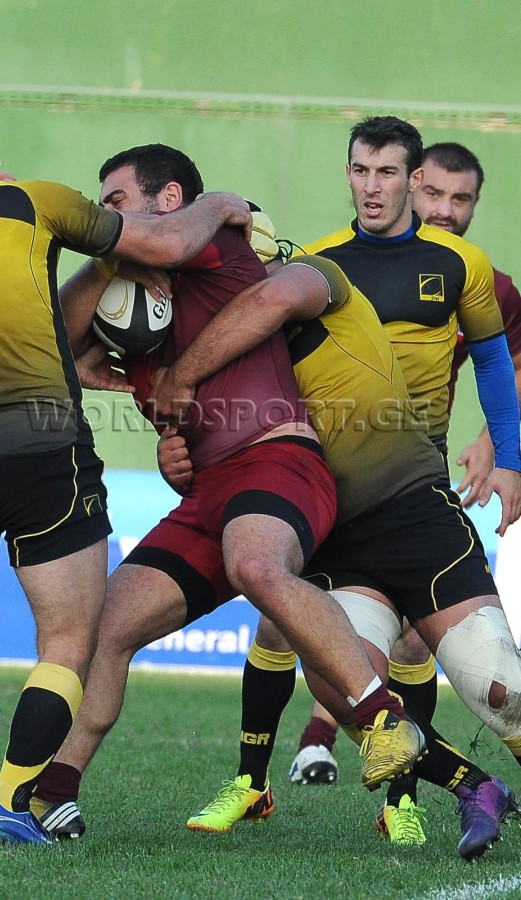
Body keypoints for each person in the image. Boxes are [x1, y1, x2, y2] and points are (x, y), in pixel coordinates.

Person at [30, 143, 429, 839]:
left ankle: (381, 720)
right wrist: (110, 266)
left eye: (116, 201)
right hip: (206, 497)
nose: (103, 214)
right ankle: (52, 794)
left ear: (169, 200)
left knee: (255, 567)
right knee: (106, 626)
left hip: (278, 462)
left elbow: (177, 247)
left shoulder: (215, 241)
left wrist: (215, 204)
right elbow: (57, 339)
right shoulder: (133, 295)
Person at [0, 122, 254, 846]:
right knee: (68, 638)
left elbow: (35, 316)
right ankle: (6, 804)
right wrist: (220, 204)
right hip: (44, 451)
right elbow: (163, 245)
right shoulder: (30, 200)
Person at [294, 140, 521, 839]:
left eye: (387, 172)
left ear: (409, 179)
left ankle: (425, 796)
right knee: (350, 689)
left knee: (502, 690)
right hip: (336, 517)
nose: (372, 185)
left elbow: (498, 364)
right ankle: (476, 787)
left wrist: (506, 455)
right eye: (360, 170)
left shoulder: (464, 266)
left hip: (420, 505)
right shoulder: (312, 265)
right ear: (347, 174)